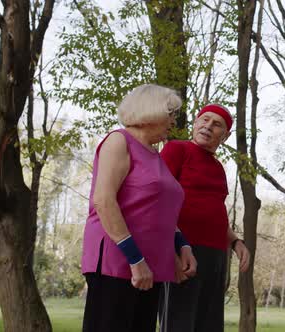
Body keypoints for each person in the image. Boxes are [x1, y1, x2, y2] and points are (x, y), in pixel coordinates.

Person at [81, 84, 197, 332]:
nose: (173, 121)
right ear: (150, 110)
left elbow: (159, 211)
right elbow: (103, 201)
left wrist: (181, 245)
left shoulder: (156, 155)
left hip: (151, 266)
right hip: (119, 262)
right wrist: (135, 259)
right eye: (171, 114)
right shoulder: (118, 141)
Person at [159, 103, 251, 332]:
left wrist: (235, 241)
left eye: (216, 124)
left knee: (208, 324)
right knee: (179, 324)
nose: (208, 126)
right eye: (204, 119)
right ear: (195, 123)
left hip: (216, 255)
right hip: (185, 250)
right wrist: (171, 250)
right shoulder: (176, 149)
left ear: (225, 136)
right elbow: (158, 201)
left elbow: (216, 212)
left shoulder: (218, 168)